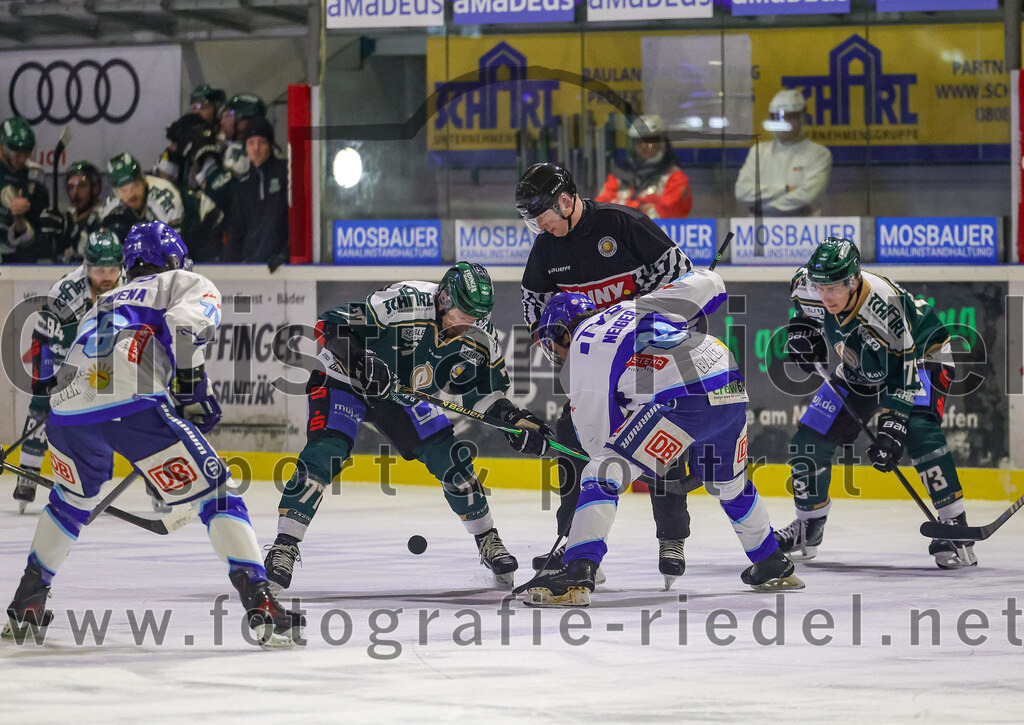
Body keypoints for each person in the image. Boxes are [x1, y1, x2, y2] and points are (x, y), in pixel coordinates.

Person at [1, 222, 304, 648]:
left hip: (66, 413)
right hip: (132, 403)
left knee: (68, 504)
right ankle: (260, 600)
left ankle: (27, 600)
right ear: (175, 259)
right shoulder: (184, 281)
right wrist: (194, 391)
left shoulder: (105, 299)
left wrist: (182, 393)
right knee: (217, 495)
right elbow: (185, 329)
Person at [263, 262, 548, 592]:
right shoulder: (405, 302)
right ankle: (285, 544)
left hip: (400, 394)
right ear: (443, 298)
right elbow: (331, 326)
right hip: (343, 380)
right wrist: (361, 361)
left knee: (451, 459)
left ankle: (487, 538)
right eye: (463, 313)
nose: (469, 323)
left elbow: (485, 395)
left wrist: (512, 421)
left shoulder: (480, 337)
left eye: (477, 317)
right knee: (325, 453)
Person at [521, 274, 803, 606]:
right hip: (726, 378)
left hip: (683, 397)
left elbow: (596, 443)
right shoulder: (631, 306)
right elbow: (709, 283)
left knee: (601, 472)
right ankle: (772, 562)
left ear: (562, 331)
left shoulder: (581, 351)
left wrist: (635, 463)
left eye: (550, 344)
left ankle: (578, 572)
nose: (553, 355)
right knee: (731, 484)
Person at [516, 161, 694, 588]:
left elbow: (683, 279)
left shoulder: (623, 224)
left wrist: (656, 327)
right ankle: (570, 540)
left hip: (645, 358)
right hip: (594, 366)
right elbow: (532, 310)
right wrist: (559, 347)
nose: (540, 226)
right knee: (571, 438)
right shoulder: (546, 247)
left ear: (565, 200)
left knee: (660, 441)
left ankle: (672, 537)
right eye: (532, 220)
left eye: (543, 215)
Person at [779, 237, 978, 569]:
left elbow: (905, 371)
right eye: (821, 287)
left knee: (917, 429)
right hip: (862, 366)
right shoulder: (807, 283)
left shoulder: (882, 306)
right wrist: (801, 333)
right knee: (809, 438)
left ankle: (953, 522)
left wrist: (892, 428)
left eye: (835, 288)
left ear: (854, 280)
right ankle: (809, 526)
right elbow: (803, 311)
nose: (826, 296)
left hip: (923, 356)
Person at [12, 230, 125, 513]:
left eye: (113, 269)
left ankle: (152, 481)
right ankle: (28, 473)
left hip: (106, 349)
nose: (107, 277)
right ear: (86, 267)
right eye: (100, 270)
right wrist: (53, 385)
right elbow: (51, 344)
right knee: (43, 405)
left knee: (133, 407)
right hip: (58, 347)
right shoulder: (65, 294)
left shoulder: (131, 286)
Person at [100, 152, 225, 263]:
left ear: (143, 180)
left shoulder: (165, 199)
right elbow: (102, 251)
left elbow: (175, 252)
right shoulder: (110, 208)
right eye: (123, 190)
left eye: (135, 186)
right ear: (115, 191)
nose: (130, 194)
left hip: (206, 220)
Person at [734, 89, 833, 217]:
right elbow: (741, 192)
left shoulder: (819, 154)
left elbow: (805, 197)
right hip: (760, 229)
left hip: (803, 229)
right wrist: (785, 189)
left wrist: (762, 207)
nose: (783, 122)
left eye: (790, 117)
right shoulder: (758, 152)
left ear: (802, 117)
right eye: (777, 117)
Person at [594, 114, 692, 219]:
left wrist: (621, 208)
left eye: (650, 140)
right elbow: (599, 210)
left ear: (662, 142)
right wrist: (639, 206)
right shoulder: (620, 175)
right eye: (639, 141)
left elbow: (666, 214)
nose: (644, 146)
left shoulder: (674, 177)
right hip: (622, 234)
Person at [225, 117, 288, 268]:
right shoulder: (243, 185)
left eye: (262, 142)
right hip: (251, 266)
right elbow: (237, 232)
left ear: (271, 145)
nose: (256, 148)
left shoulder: (285, 173)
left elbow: (296, 219)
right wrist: (229, 266)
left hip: (282, 266)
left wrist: (286, 253)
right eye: (251, 143)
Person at [0, 117, 49, 263]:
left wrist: (19, 219)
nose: (22, 160)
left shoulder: (35, 175)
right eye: (17, 154)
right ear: (2, 147)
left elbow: (35, 234)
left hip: (18, 256)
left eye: (26, 153)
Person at [38, 160, 105, 263]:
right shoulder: (67, 216)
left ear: (95, 189)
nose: (75, 192)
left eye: (82, 186)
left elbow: (99, 252)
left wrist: (73, 231)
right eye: (71, 187)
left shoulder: (105, 215)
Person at [219, 93, 267, 180]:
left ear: (245, 121)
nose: (222, 122)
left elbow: (222, 188)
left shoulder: (242, 149)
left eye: (227, 116)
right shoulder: (223, 144)